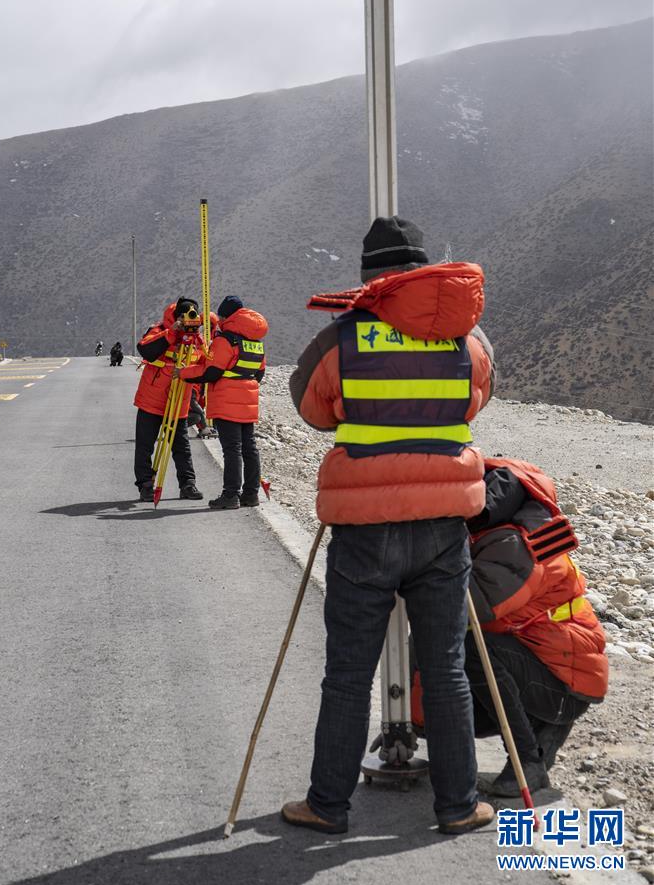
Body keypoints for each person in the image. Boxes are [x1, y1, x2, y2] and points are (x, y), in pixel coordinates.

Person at [283, 216, 497, 835]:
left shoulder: (341, 338)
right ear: (424, 269)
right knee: (447, 667)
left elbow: (311, 409)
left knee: (348, 672)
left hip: (365, 527)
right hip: (442, 528)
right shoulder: (469, 338)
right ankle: (458, 806)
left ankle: (328, 805)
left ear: (370, 278)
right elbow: (476, 399)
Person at [410, 457, 608, 796]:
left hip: (564, 678)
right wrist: (404, 719)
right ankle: (528, 733)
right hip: (538, 658)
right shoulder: (492, 530)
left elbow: (469, 608)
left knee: (470, 643)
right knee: (437, 651)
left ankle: (529, 761)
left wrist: (418, 562)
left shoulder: (516, 543)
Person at [175, 296, 267, 510]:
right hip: (248, 402)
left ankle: (230, 495)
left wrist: (183, 373)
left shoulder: (225, 340)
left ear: (226, 316)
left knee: (232, 449)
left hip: (227, 402)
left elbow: (212, 372)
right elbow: (259, 374)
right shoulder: (255, 342)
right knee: (249, 448)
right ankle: (251, 494)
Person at [133, 298, 205, 503]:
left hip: (179, 401)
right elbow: (145, 349)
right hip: (152, 400)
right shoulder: (159, 330)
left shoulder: (198, 340)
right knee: (145, 446)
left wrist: (196, 399)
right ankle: (146, 485)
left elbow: (202, 367)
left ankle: (188, 484)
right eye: (186, 316)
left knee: (181, 447)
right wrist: (173, 331)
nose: (190, 320)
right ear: (177, 317)